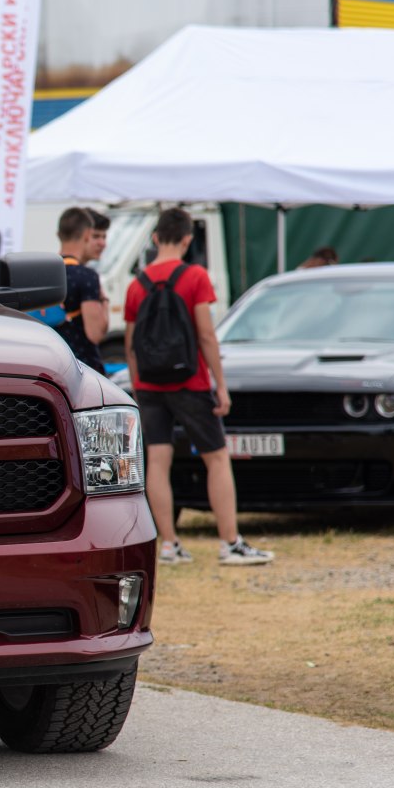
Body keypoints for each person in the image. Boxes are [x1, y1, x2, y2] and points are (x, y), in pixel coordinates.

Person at [123, 206, 274, 567]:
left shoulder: (135, 285)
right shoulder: (195, 277)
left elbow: (130, 345)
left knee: (157, 460)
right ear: (189, 239)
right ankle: (230, 542)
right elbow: (206, 334)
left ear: (155, 237)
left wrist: (138, 385)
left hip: (148, 385)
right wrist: (220, 384)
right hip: (189, 381)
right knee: (217, 457)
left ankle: (169, 545)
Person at [52, 206, 107, 373]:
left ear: (59, 235)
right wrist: (104, 300)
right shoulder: (86, 276)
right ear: (86, 235)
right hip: (83, 367)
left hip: (53, 364)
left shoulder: (44, 271)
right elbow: (95, 333)